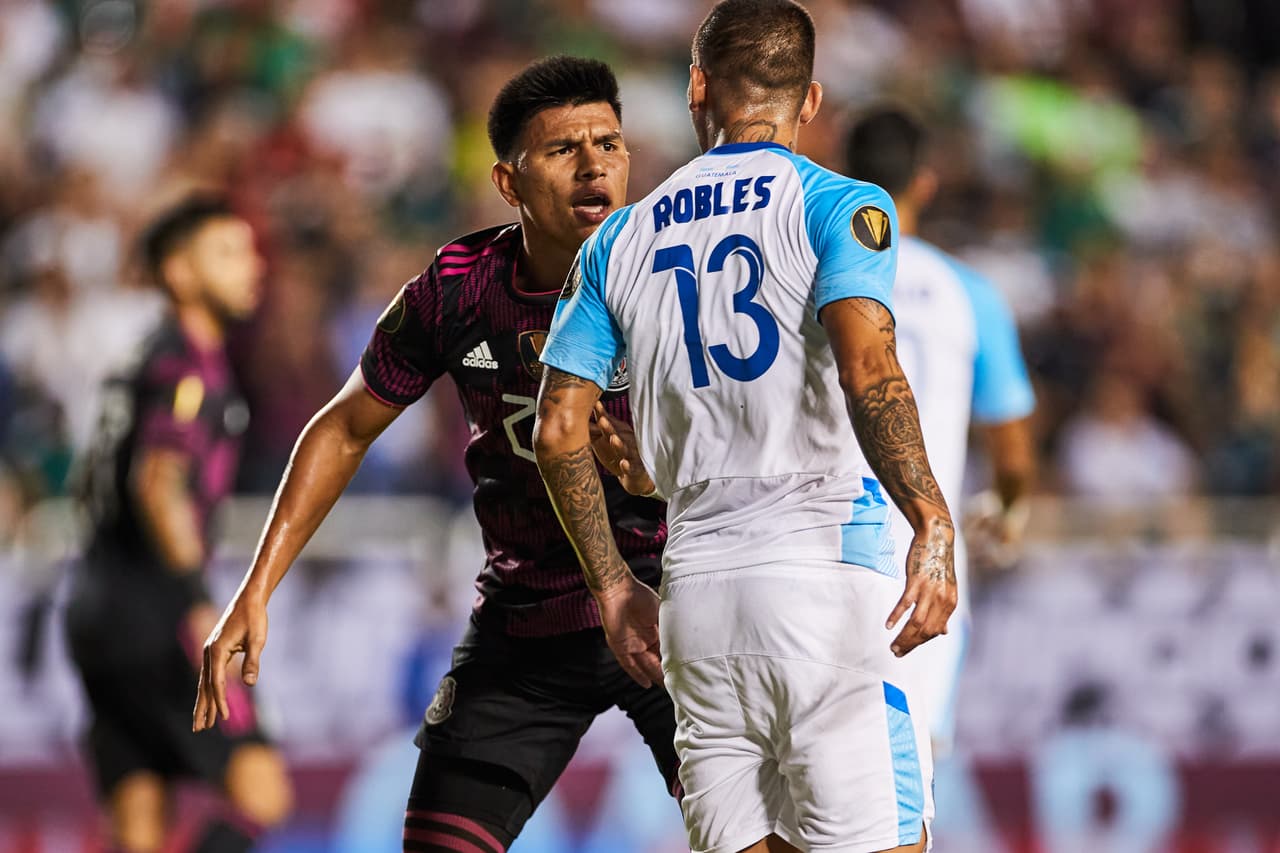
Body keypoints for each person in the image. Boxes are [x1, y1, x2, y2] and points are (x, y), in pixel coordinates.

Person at [193, 57, 680, 853]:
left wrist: (660, 473)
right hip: (529, 624)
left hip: (676, 611)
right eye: (563, 149)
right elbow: (345, 427)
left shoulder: (679, 275)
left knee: (758, 836)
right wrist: (256, 586)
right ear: (508, 182)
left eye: (610, 142)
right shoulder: (455, 288)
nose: (595, 164)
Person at [533, 2, 957, 851]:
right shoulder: (840, 204)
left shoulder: (619, 236)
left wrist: (615, 584)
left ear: (697, 87)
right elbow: (868, 369)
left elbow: (556, 430)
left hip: (697, 597)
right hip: (824, 578)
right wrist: (932, 521)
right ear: (809, 103)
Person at [66, 196, 293, 853]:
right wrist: (197, 600)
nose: (251, 267)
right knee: (262, 794)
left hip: (95, 603)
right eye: (227, 253)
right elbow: (158, 480)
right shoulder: (188, 363)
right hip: (157, 606)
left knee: (139, 820)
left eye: (250, 251)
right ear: (178, 272)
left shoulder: (140, 357)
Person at [845, 106, 1037, 757]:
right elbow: (1012, 451)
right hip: (923, 561)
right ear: (924, 182)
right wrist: (1007, 508)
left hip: (819, 549)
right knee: (906, 777)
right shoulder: (969, 292)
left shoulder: (813, 278)